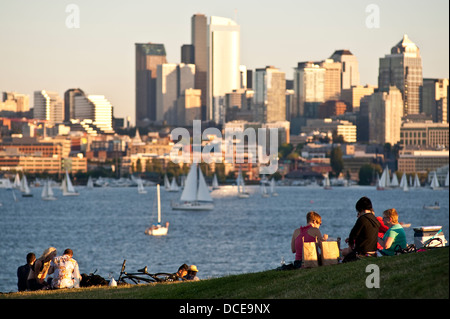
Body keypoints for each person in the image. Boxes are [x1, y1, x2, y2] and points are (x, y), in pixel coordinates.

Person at [342, 197, 380, 261]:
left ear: (361, 209)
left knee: (344, 260)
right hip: (373, 251)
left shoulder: (363, 219)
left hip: (362, 252)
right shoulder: (375, 219)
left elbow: (353, 234)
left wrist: (351, 242)